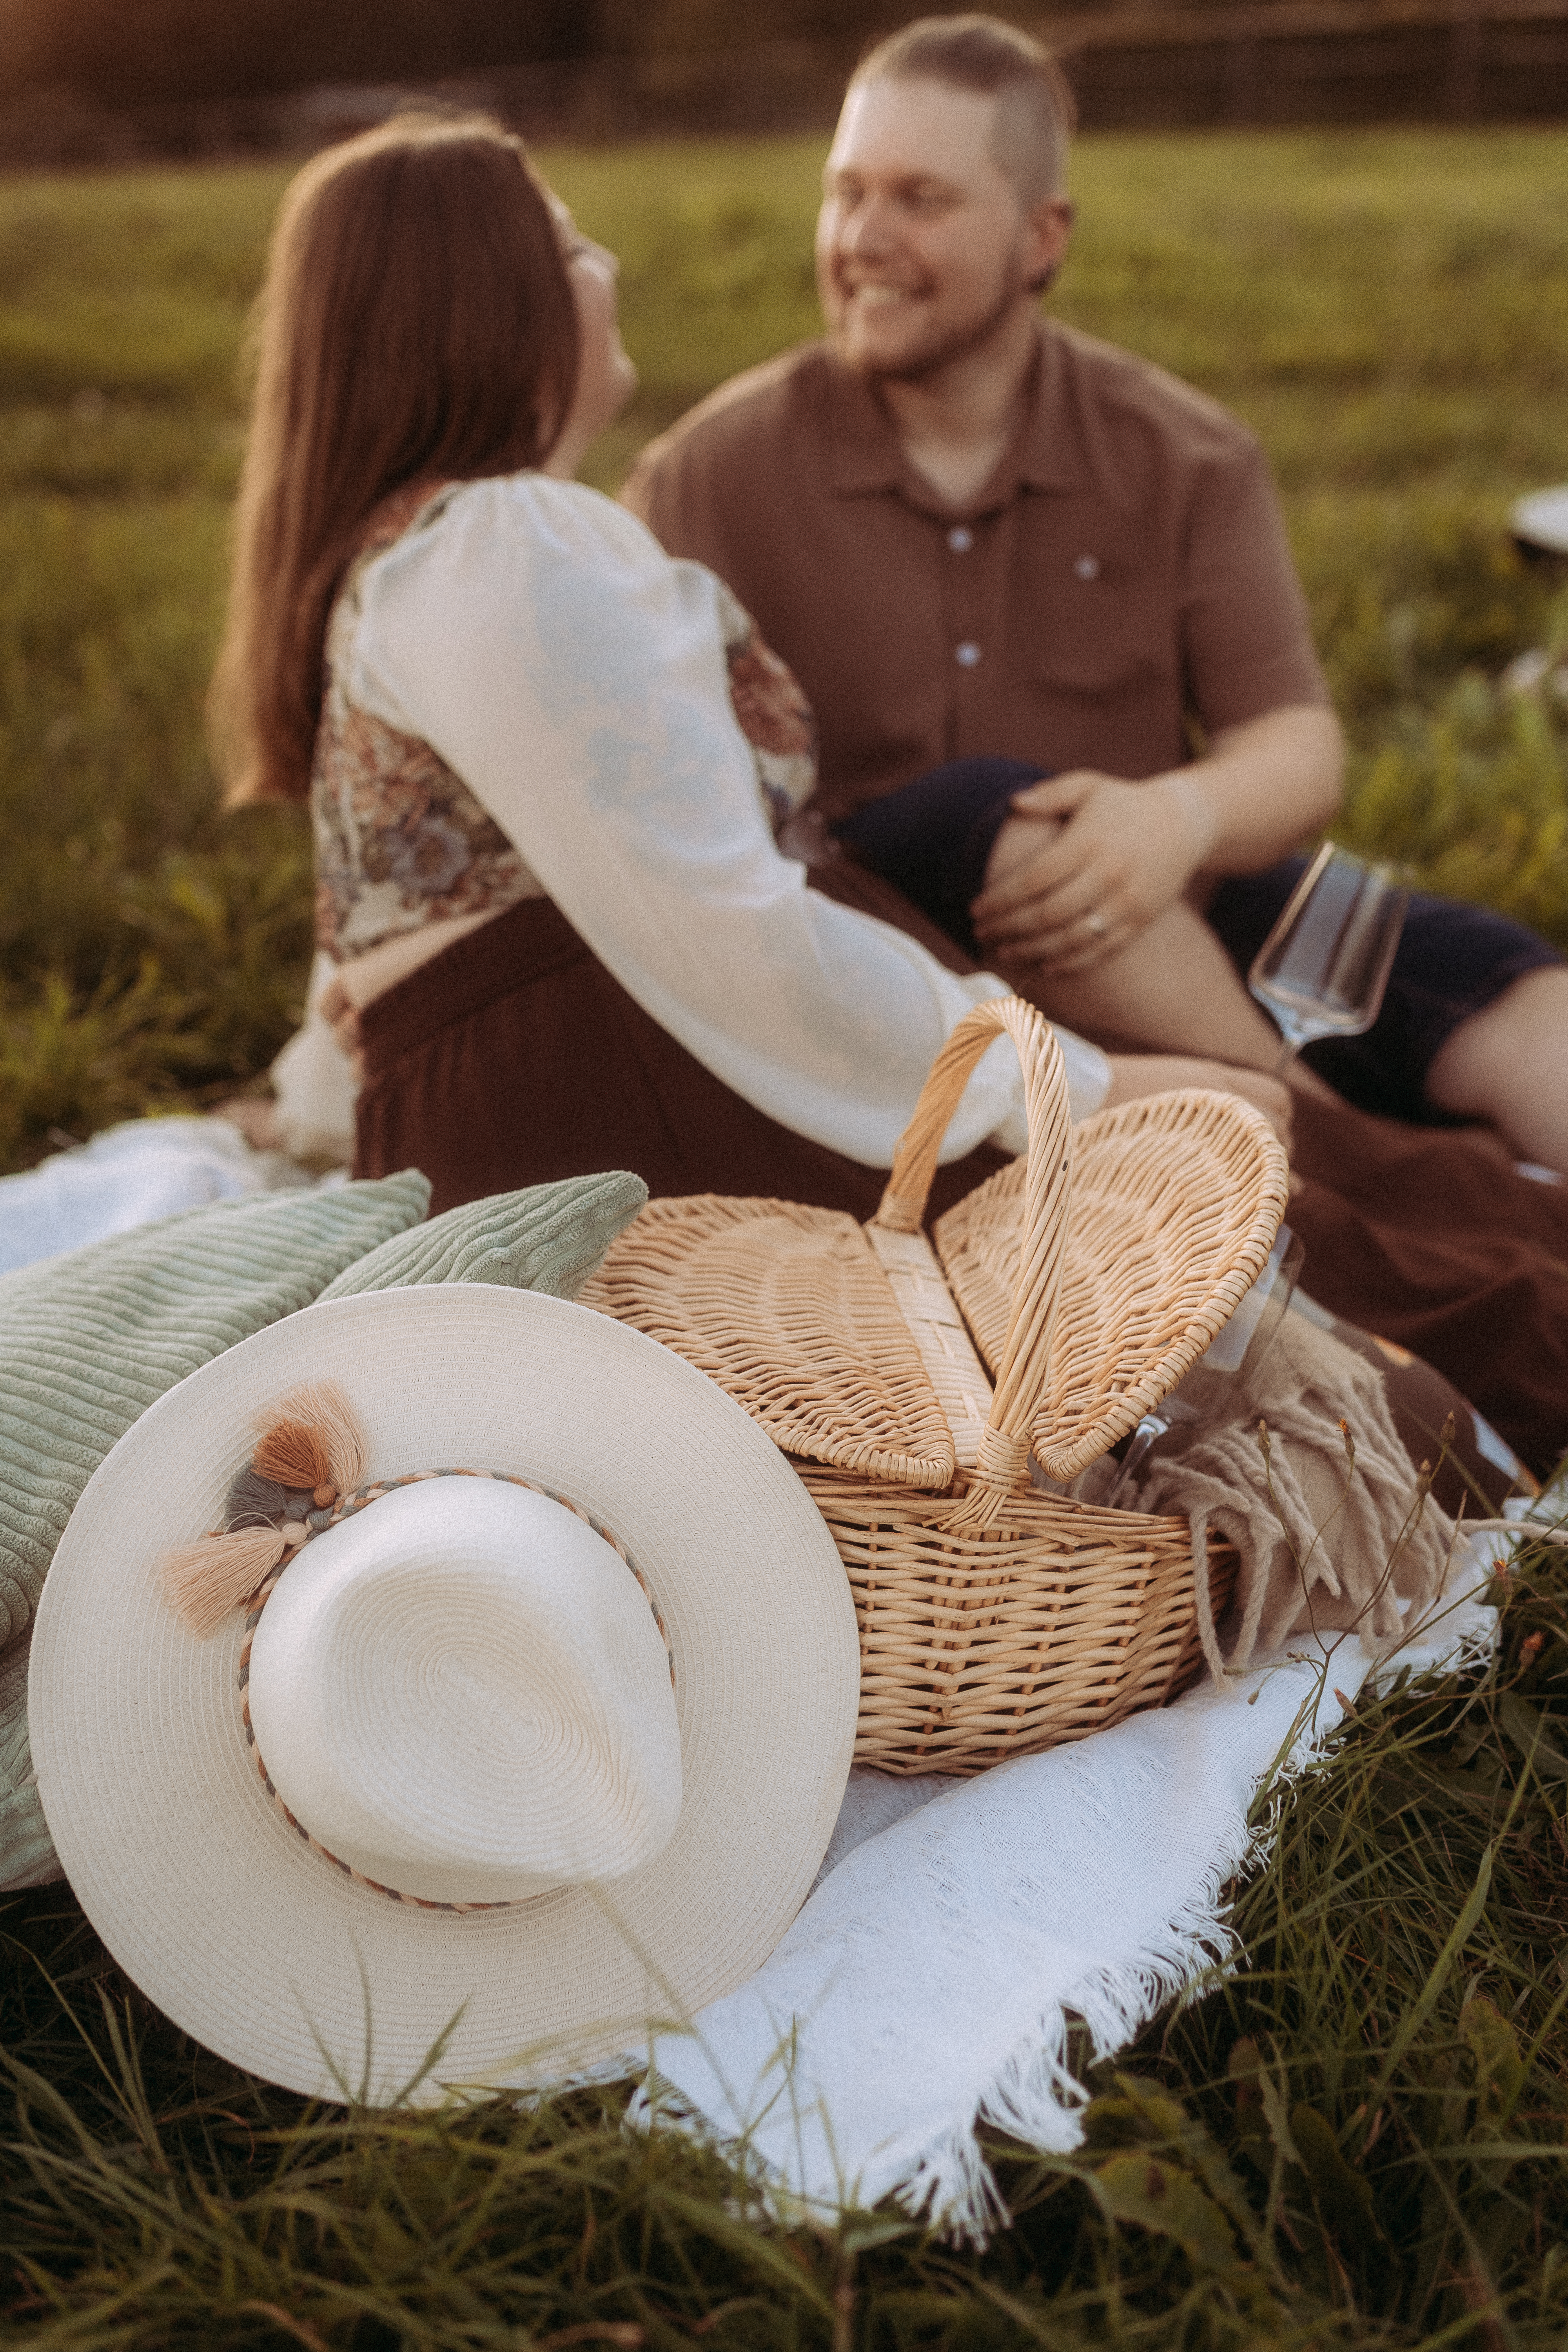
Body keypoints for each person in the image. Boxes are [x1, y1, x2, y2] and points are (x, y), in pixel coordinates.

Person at [211, 110, 1285, 1241]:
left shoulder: (416, 560)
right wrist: (1064, 1089)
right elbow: (729, 933)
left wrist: (318, 1109)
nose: (607, 268)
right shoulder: (506, 546)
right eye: (572, 247)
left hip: (559, 1114)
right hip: (626, 1119)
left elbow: (390, 918)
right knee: (1236, 1218)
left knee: (1264, 1208)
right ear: (492, 308)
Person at [623, 13, 1568, 1178]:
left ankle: (1443, 1160)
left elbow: (1296, 744)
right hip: (895, 977)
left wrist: (1176, 820)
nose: (864, 238)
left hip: (1174, 917)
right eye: (846, 193)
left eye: (920, 199)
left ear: (1041, 236)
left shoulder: (1184, 453)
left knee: (1518, 1001)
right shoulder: (709, 475)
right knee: (990, 817)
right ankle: (1380, 1175)